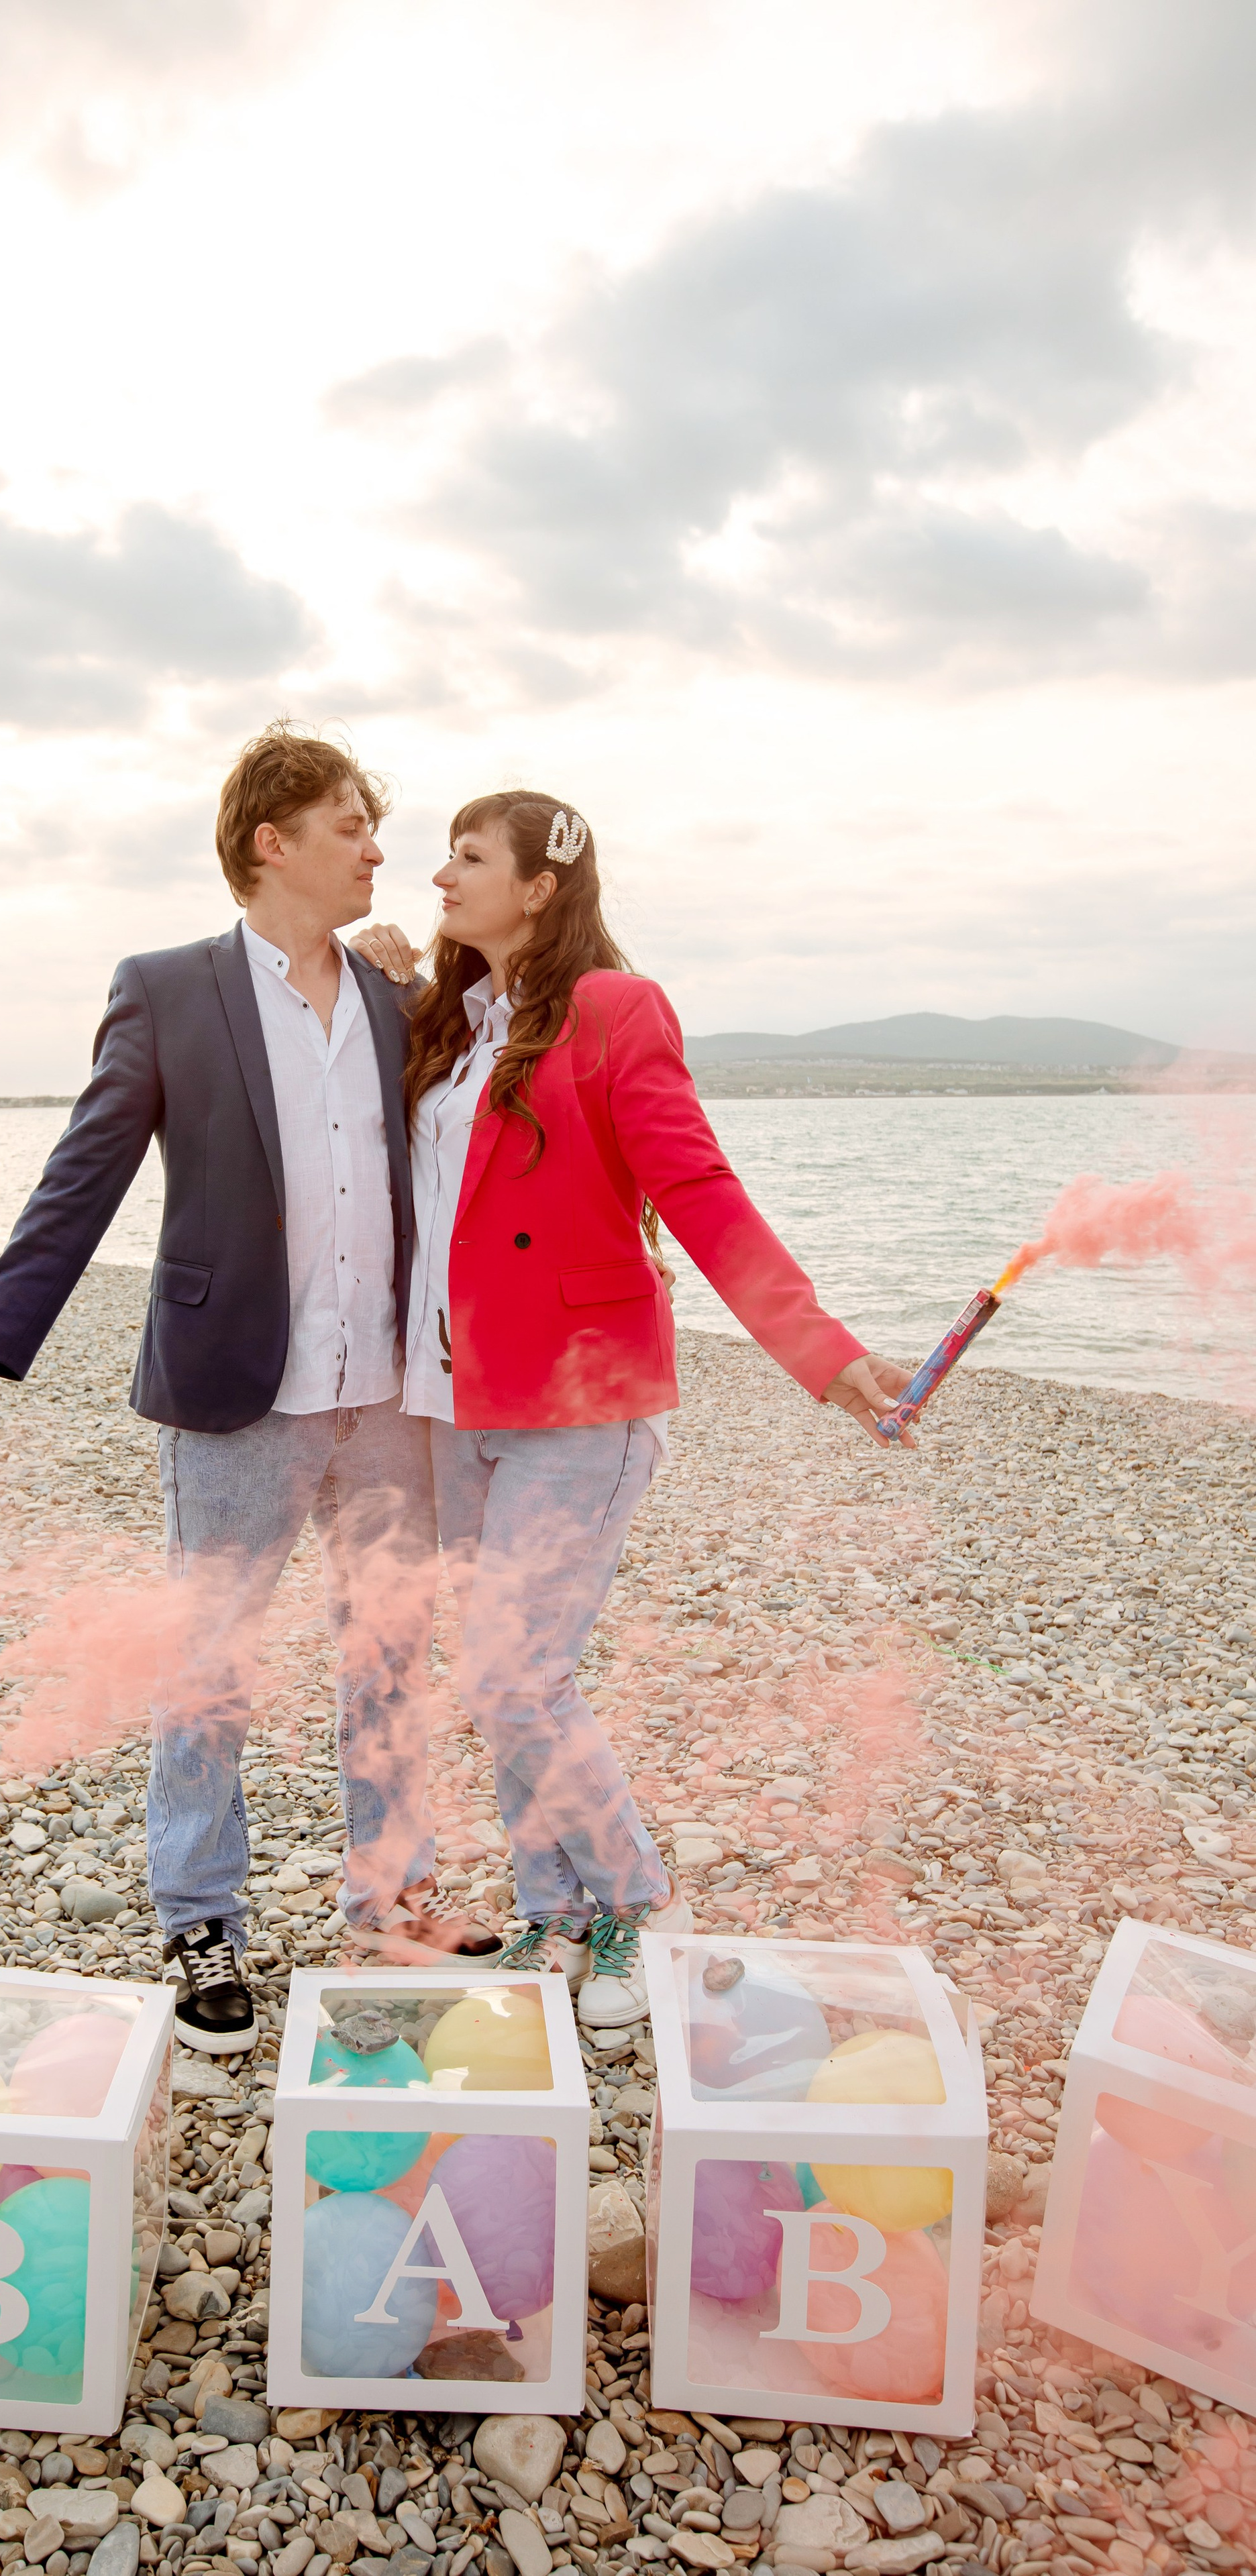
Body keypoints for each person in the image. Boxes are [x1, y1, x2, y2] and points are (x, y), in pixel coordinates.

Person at [0, 724, 498, 2053]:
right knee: (207, 1660)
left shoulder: (403, 999)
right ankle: (198, 1911)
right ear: (271, 842)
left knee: (389, 1653)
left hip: (392, 1395)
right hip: (235, 1390)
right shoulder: (165, 990)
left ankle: (391, 1892)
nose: (377, 852)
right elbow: (80, 1179)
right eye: (350, 827)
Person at [358, 790, 912, 2031]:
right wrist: (396, 994)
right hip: (454, 1397)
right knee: (511, 1675)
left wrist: (821, 1352)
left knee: (515, 1673)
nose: (439, 873)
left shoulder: (615, 1009)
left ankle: (644, 1910)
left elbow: (699, 1188)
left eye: (468, 855)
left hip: (581, 1394)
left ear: (542, 886)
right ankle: (558, 1917)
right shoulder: (456, 1022)